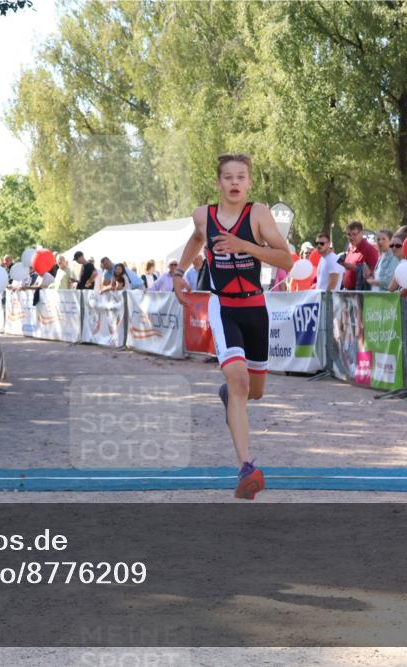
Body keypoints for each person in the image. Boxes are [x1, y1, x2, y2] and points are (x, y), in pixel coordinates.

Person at [171, 153, 293, 500]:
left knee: (254, 392)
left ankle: (231, 396)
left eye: (241, 177)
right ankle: (246, 467)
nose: (235, 182)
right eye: (228, 177)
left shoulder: (258, 214)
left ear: (250, 182)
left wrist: (245, 246)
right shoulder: (203, 215)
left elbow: (286, 259)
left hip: (256, 306)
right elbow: (197, 238)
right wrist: (180, 273)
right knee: (238, 381)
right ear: (218, 183)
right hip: (222, 305)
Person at [342, 221, 380, 290]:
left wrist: (357, 268)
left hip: (361, 294)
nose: (351, 237)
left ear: (361, 233)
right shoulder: (350, 248)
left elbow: (375, 273)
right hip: (348, 293)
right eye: (349, 234)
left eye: (354, 234)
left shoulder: (369, 250)